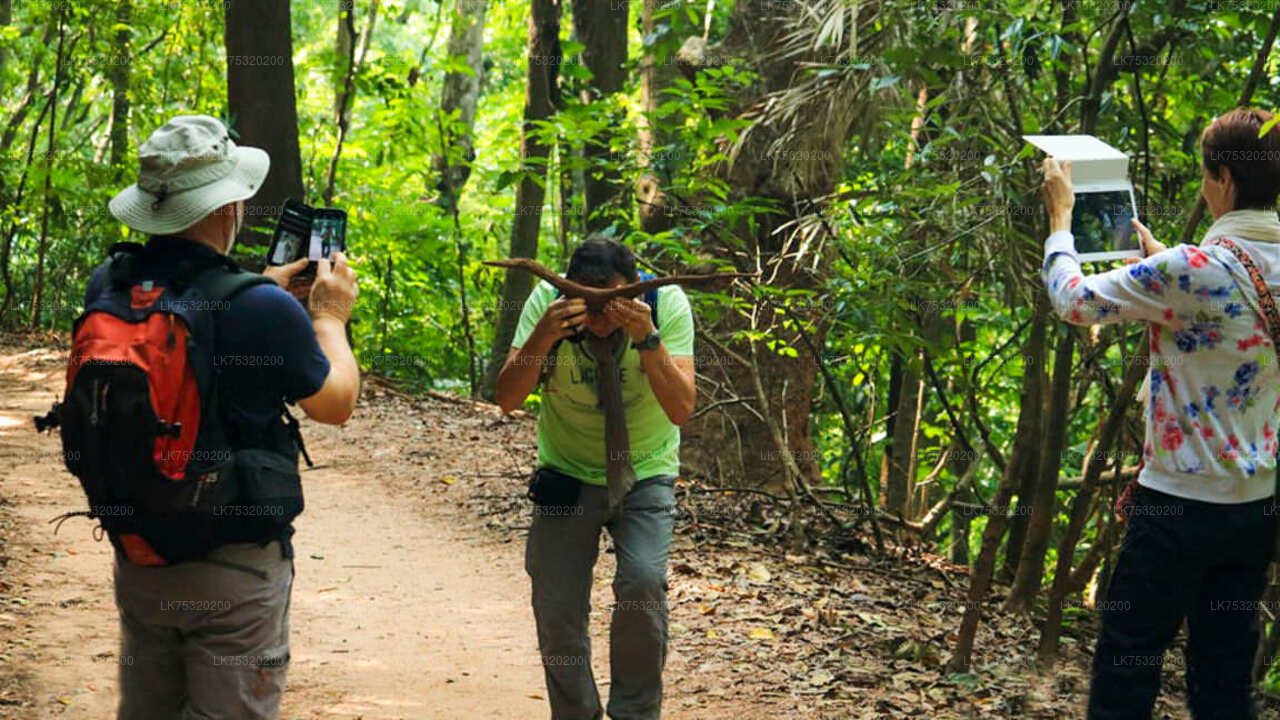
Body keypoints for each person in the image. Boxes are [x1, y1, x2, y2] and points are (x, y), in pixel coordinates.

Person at [96, 114, 360, 719]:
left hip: (139, 555)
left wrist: (256, 287)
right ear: (224, 209)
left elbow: (189, 320)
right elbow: (335, 403)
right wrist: (328, 318)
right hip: (232, 568)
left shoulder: (110, 286)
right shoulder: (261, 309)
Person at [1040, 107, 1280, 719]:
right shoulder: (1195, 268)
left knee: (1129, 664)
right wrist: (1166, 259)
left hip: (1176, 507)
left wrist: (1061, 222)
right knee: (1224, 678)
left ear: (1223, 178)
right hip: (1255, 509)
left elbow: (1074, 301)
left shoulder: (1187, 273)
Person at [494, 237, 696, 720]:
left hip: (646, 471)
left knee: (643, 585)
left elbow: (682, 408)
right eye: (590, 304)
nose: (601, 318)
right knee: (556, 600)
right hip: (567, 471)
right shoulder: (548, 304)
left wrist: (648, 340)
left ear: (636, 292)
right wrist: (544, 337)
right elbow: (506, 398)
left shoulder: (666, 304)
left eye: (613, 304)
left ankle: (635, 712)